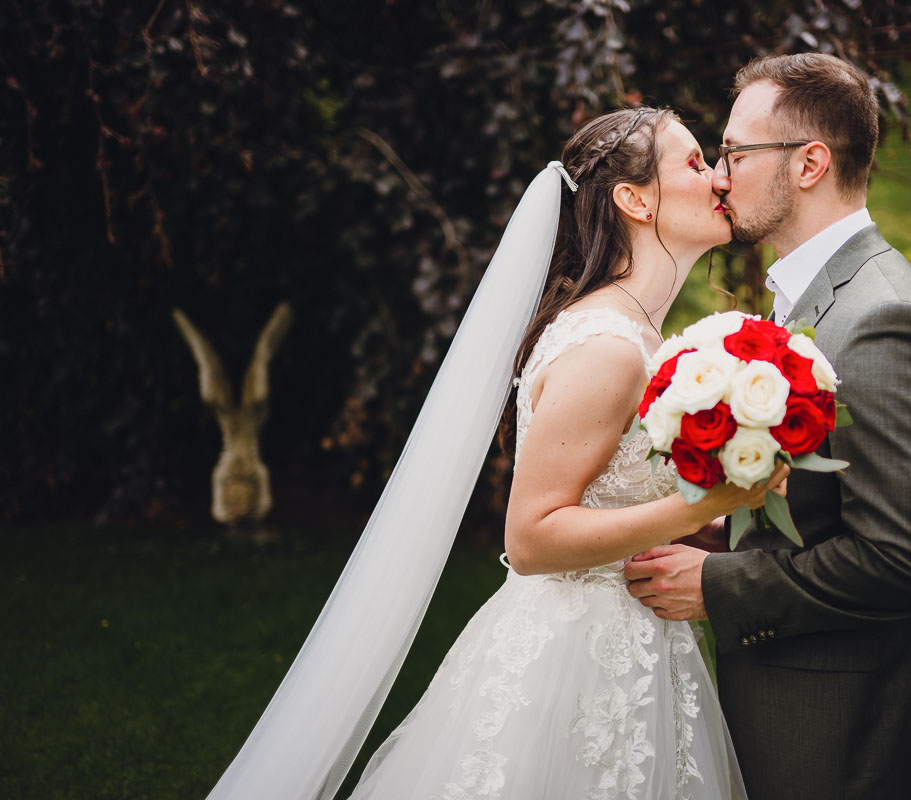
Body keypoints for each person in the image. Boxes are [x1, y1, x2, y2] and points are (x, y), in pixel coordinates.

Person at [207, 106, 785, 800]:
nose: (721, 178)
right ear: (635, 200)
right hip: (576, 662)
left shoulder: (637, 335)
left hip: (637, 641)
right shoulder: (607, 347)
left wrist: (724, 523)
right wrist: (704, 500)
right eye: (695, 163)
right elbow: (534, 535)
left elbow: (616, 494)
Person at [625, 53, 911, 799]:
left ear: (810, 163)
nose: (721, 176)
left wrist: (721, 585)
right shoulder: (817, 297)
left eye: (736, 153)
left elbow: (910, 560)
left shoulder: (884, 320)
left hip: (852, 733)